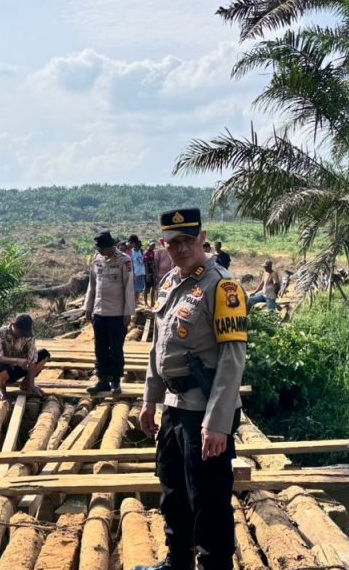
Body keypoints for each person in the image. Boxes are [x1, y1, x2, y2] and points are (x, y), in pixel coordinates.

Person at [136, 208, 248, 570]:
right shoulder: (170, 282)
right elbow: (159, 347)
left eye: (188, 240)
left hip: (204, 409)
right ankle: (178, 561)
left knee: (209, 498)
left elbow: (232, 359)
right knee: (173, 489)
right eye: (173, 242)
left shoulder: (222, 286)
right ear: (163, 245)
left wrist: (217, 423)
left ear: (202, 239)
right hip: (173, 404)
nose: (181, 248)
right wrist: (149, 400)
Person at [84, 230, 136, 395]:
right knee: (100, 348)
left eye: (102, 249)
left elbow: (128, 287)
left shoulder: (124, 260)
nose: (99, 251)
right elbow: (92, 284)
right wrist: (88, 307)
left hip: (117, 314)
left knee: (115, 348)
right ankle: (102, 380)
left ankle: (115, 380)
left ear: (110, 247)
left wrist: (128, 312)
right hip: (99, 312)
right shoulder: (97, 259)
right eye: (98, 249)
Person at [0, 313, 50, 399]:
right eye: (21, 332)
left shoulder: (29, 337)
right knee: (0, 369)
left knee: (44, 354)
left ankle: (26, 384)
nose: (23, 335)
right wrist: (17, 361)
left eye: (25, 333)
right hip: (3, 370)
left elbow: (32, 359)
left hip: (20, 368)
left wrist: (31, 384)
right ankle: (2, 388)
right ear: (13, 325)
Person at [143, 242, 158, 306]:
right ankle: (145, 302)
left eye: (154, 245)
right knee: (147, 288)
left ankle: (152, 302)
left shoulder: (153, 252)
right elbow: (145, 264)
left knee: (153, 287)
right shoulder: (146, 253)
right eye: (152, 245)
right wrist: (147, 274)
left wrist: (155, 271)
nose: (153, 247)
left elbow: (153, 263)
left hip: (152, 272)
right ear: (148, 245)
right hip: (147, 272)